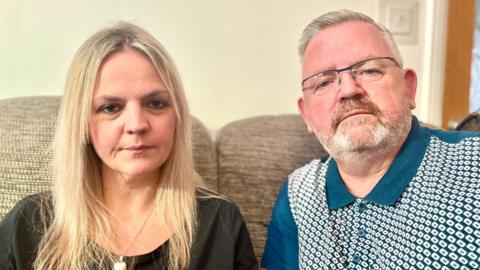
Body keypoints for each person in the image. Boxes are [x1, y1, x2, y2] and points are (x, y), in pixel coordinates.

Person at [0, 22, 257, 270]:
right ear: (82, 123)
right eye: (110, 107)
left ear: (177, 116)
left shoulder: (220, 223)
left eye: (156, 103)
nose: (136, 124)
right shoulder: (29, 224)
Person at [261, 9, 480, 269]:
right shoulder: (298, 194)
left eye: (369, 70)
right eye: (323, 83)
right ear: (306, 114)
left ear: (409, 87)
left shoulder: (473, 163)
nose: (349, 90)